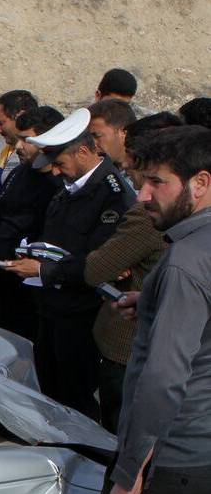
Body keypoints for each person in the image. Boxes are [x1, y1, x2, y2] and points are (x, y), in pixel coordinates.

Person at [98, 126, 211, 494]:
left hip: (169, 469)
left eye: (156, 182)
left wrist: (128, 473)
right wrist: (156, 301)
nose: (143, 195)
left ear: (202, 183)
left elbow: (164, 381)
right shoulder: (189, 260)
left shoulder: (189, 261)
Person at [5, 108, 132, 420]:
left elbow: (100, 262)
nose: (56, 172)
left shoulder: (112, 195)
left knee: (78, 404)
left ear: (85, 152)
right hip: (51, 311)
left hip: (82, 317)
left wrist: (43, 271)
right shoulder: (68, 190)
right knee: (50, 395)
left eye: (60, 163)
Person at [83, 115, 177, 432]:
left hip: (128, 348)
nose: (139, 189)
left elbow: (96, 269)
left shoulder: (148, 214)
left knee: (121, 436)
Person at [0, 106, 62, 340]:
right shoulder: (20, 173)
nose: (18, 146)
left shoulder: (60, 186)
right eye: (18, 139)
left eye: (26, 140)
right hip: (3, 288)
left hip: (35, 297)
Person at [0, 90, 39, 200]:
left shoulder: (39, 153)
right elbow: (2, 189)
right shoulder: (7, 151)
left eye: (0, 123)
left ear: (20, 116)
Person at [87, 98, 136, 171]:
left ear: (123, 133)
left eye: (97, 136)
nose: (90, 144)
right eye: (88, 137)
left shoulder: (146, 172)